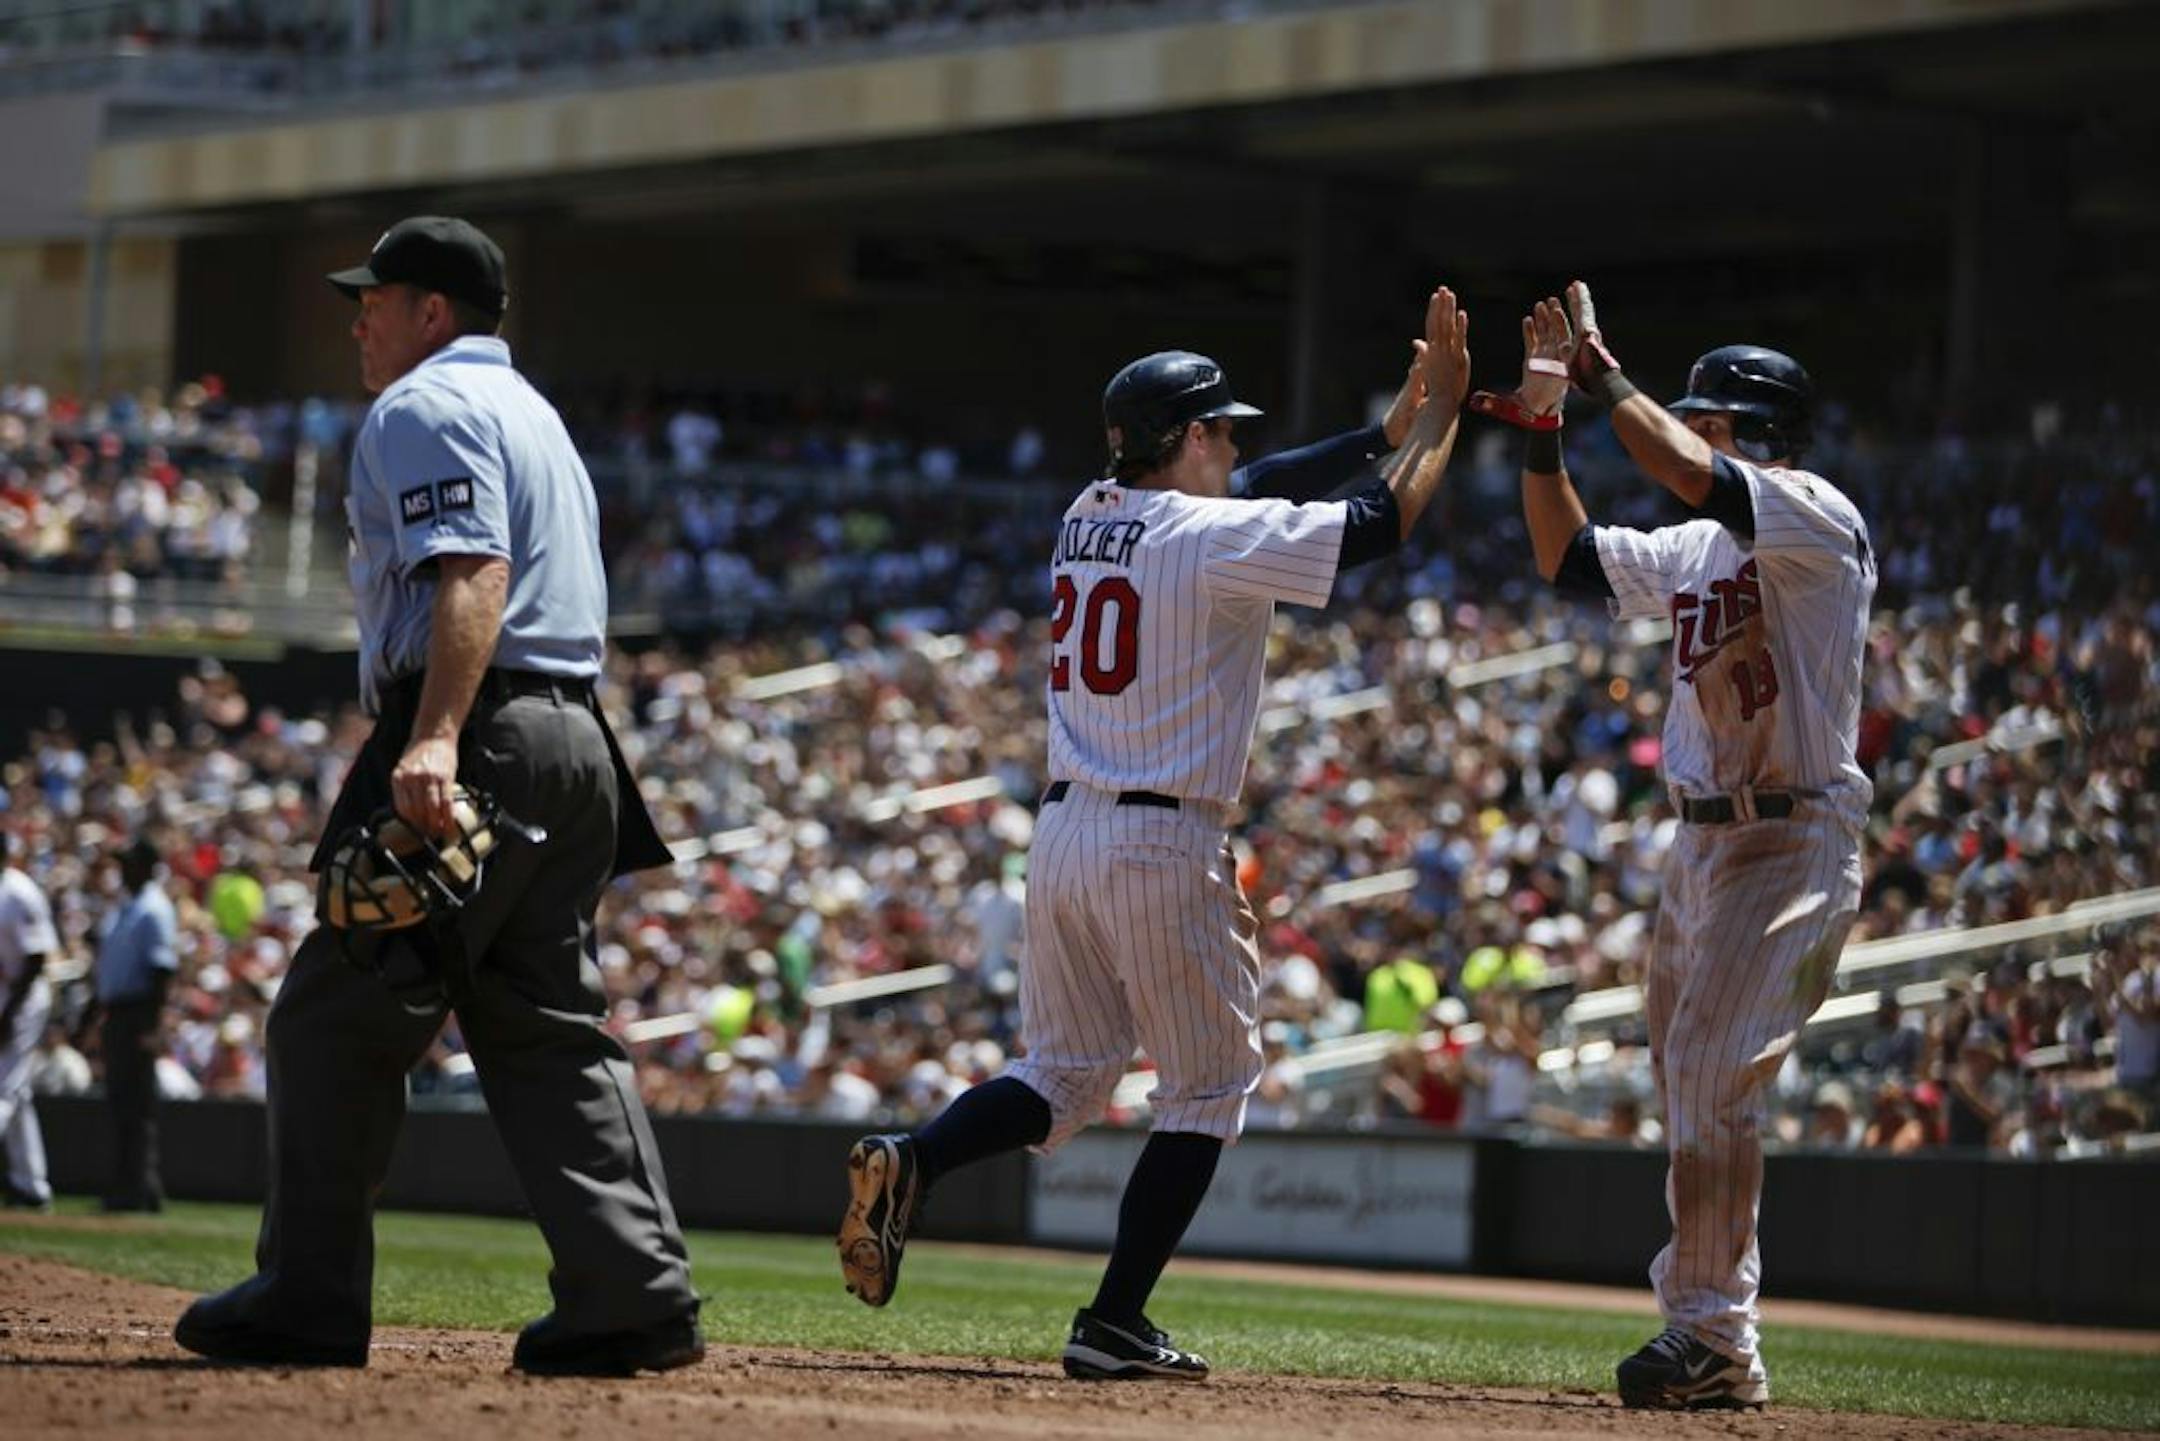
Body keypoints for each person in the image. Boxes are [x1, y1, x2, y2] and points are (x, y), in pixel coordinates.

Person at [837, 286, 1473, 1380]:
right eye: (1221, 428)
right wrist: (1441, 418)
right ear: (1184, 439)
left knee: (1067, 1074)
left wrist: (1379, 431)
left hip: (1065, 833)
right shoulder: (1206, 536)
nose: (1236, 445)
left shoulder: (1091, 511)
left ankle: (919, 1156)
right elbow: (1382, 523)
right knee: (1210, 1085)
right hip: (1160, 836)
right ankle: (1114, 1318)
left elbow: (1258, 489)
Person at [175, 216, 697, 1375]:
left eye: (380, 296)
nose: (359, 317)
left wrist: (437, 738)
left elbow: (476, 571)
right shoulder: (538, 416)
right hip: (575, 739)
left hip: (482, 728)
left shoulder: (423, 407)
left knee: (330, 1017)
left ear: (435, 313)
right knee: (547, 1024)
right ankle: (633, 1294)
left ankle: (307, 1297)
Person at [1493, 282, 1874, 1410]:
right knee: (1690, 1083)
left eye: (1711, 414)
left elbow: (1691, 469)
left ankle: (1713, 1335)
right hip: (1701, 846)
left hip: (1792, 831)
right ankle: (1712, 1334)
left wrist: (1609, 377)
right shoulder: (1701, 545)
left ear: (1754, 431)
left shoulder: (1815, 514)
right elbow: (1566, 559)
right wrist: (1545, 420)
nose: (1694, 426)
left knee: (1712, 1078)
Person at [92, 837, 176, 1213]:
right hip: (119, 1012)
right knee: (123, 1103)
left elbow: (161, 972)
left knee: (136, 1105)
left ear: (146, 867)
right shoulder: (128, 907)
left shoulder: (153, 909)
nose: (122, 869)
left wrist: (152, 1027)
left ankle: (137, 1189)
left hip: (138, 1013)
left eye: (129, 863)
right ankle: (136, 1186)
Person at [0, 830, 60, 1210]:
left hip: (23, 997)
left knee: (3, 1087)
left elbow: (37, 958)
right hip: (6, 993)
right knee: (16, 1093)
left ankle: (31, 1184)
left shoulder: (18, 891)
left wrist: (10, 1013)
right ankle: (32, 1185)